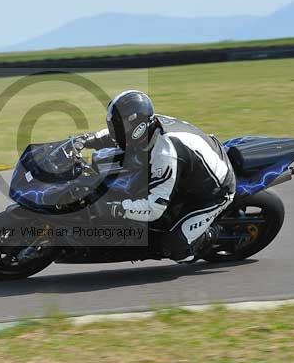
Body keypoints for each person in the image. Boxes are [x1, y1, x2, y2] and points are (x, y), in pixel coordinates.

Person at [77, 90, 236, 262]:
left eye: (118, 127)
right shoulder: (148, 123)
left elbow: (154, 208)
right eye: (113, 125)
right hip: (190, 170)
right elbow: (119, 133)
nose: (114, 131)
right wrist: (88, 140)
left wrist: (115, 208)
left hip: (213, 191)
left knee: (176, 250)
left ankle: (212, 233)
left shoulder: (165, 153)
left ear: (137, 128)